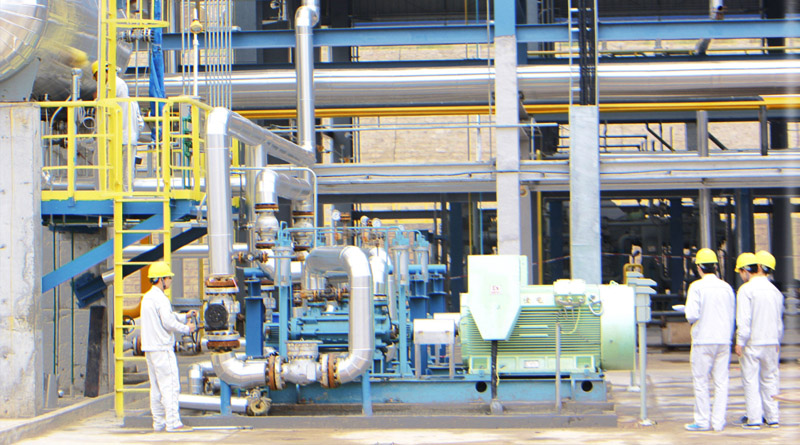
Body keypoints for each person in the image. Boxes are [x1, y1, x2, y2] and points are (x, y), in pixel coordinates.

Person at [140, 261, 197, 433]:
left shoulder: (147, 298)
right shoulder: (161, 299)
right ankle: (173, 423)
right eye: (168, 278)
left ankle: (158, 423)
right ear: (161, 279)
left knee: (156, 388)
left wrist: (184, 316)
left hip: (150, 349)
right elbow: (168, 322)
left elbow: (166, 317)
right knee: (170, 385)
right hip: (163, 348)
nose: (170, 281)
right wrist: (187, 328)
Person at [683, 248, 736, 432]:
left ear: (698, 267)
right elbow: (731, 314)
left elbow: (692, 315)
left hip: (703, 339)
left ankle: (702, 421)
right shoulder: (726, 287)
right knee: (721, 382)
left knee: (701, 381)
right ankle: (718, 422)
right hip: (723, 340)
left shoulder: (696, 287)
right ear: (715, 266)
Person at [735, 250, 784, 430]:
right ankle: (773, 418)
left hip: (752, 343)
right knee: (770, 380)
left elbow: (744, 320)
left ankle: (754, 419)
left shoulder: (746, 290)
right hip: (772, 342)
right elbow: (779, 322)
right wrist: (777, 341)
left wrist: (740, 341)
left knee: (750, 381)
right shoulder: (776, 292)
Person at [92, 60, 144, 190]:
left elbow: (105, 109)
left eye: (97, 77)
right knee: (126, 171)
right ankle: (125, 194)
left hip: (118, 136)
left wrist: (97, 101)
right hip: (127, 137)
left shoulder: (113, 85)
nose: (97, 81)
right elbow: (140, 124)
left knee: (114, 170)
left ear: (101, 73)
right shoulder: (131, 100)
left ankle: (113, 194)